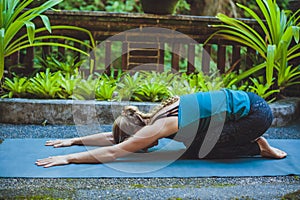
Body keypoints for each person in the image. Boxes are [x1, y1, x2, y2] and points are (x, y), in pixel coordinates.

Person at [36, 89, 287, 168]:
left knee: (198, 151)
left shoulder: (160, 126)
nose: (140, 149)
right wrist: (74, 141)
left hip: (257, 116)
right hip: (251, 103)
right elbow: (116, 140)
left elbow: (116, 151)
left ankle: (257, 146)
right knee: (187, 147)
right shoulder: (149, 117)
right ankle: (250, 139)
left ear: (139, 134)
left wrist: (68, 159)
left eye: (138, 144)